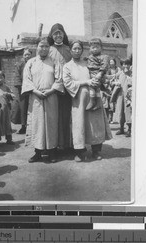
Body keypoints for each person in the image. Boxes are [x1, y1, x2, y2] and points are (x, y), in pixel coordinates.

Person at [63, 40, 112, 162]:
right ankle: (80, 152)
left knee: (96, 124)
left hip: (94, 96)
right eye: (74, 49)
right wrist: (86, 82)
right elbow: (68, 83)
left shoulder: (88, 62)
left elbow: (100, 71)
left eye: (79, 48)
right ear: (70, 50)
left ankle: (96, 151)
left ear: (82, 50)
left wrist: (98, 80)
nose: (77, 51)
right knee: (79, 124)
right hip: (79, 99)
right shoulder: (67, 66)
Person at [22, 38, 64, 163]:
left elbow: (59, 79)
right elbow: (27, 80)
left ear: (49, 48)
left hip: (51, 96)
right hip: (36, 97)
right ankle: (38, 152)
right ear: (37, 47)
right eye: (41, 46)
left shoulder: (54, 62)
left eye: (46, 46)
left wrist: (51, 91)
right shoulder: (31, 62)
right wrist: (35, 91)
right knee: (37, 124)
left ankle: (52, 152)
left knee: (51, 123)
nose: (44, 49)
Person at [47, 23, 72, 151]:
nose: (58, 35)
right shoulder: (48, 49)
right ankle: (53, 146)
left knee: (66, 116)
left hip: (68, 89)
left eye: (60, 33)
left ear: (64, 34)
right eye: (55, 33)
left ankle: (68, 145)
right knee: (53, 117)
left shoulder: (69, 49)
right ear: (51, 35)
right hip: (52, 89)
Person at [86, 38, 109, 111]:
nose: (95, 49)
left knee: (93, 87)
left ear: (101, 48)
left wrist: (100, 73)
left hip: (98, 73)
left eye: (97, 47)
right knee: (95, 88)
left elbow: (104, 66)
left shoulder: (104, 57)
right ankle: (98, 102)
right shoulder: (90, 57)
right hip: (91, 73)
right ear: (90, 49)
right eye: (93, 47)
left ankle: (92, 101)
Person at [0, 71, 16, 145]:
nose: (0, 80)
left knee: (7, 123)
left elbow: (13, 95)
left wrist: (9, 94)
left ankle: (9, 139)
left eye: (1, 78)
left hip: (6, 109)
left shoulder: (6, 87)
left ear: (4, 78)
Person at [14, 47, 32, 134]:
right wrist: (21, 87)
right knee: (23, 108)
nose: (27, 56)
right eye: (25, 54)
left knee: (32, 107)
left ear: (31, 55)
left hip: (32, 89)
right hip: (23, 90)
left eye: (29, 54)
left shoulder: (34, 63)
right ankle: (23, 126)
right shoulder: (20, 64)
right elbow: (17, 76)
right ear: (23, 56)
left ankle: (32, 127)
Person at [112, 58, 132, 137]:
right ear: (122, 65)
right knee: (120, 111)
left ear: (130, 65)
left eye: (127, 64)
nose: (125, 66)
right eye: (124, 64)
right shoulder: (119, 73)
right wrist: (115, 83)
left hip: (129, 96)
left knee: (128, 112)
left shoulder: (132, 74)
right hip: (120, 95)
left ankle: (129, 129)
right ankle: (121, 128)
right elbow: (112, 80)